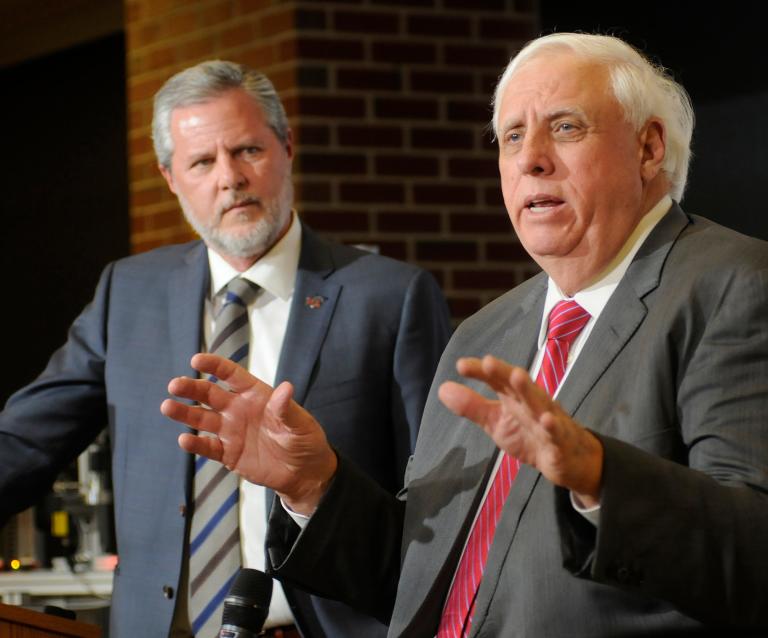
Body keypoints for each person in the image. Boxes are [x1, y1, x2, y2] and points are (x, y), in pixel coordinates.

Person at [162, 34, 768, 636]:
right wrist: (315, 486)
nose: (530, 159)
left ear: (650, 149)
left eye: (565, 128)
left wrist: (599, 477)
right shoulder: (491, 330)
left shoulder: (740, 288)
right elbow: (430, 578)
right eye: (510, 136)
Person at [0, 61, 451, 638]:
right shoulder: (128, 292)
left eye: (247, 151)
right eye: (202, 162)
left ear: (287, 147)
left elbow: (434, 503)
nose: (230, 178)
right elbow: (25, 441)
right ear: (170, 177)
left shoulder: (390, 297)